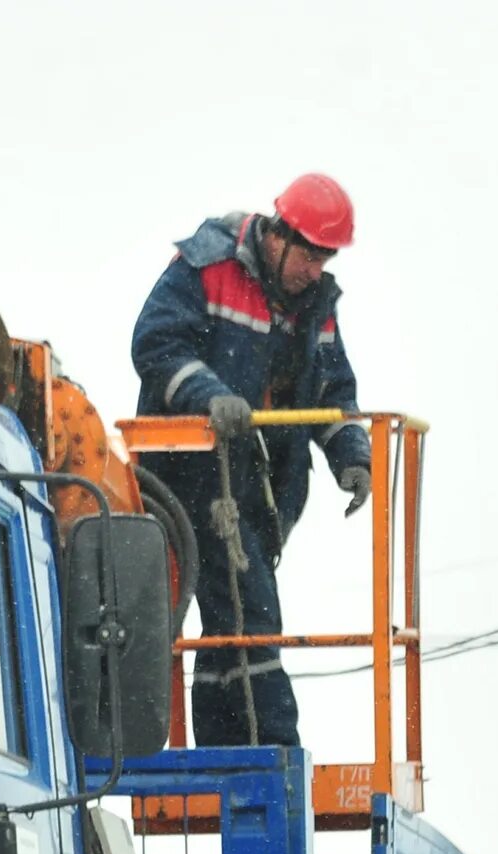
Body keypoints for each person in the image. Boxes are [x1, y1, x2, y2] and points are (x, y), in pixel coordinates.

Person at [129, 174, 372, 749]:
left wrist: (351, 455)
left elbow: (331, 391)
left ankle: (228, 750)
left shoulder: (314, 307)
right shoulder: (207, 267)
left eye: (326, 257)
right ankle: (271, 751)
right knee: (248, 615)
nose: (316, 270)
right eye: (310, 254)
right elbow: (156, 344)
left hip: (260, 491)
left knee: (231, 622)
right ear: (277, 235)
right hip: (190, 478)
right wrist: (209, 396)